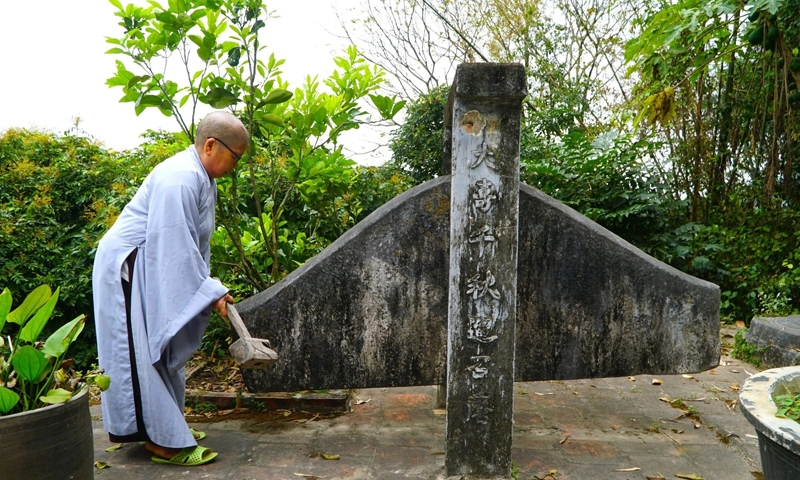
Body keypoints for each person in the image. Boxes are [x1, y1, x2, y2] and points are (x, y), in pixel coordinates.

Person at [93, 111, 248, 465]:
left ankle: (167, 426)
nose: (236, 164)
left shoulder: (202, 178)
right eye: (235, 156)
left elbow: (193, 246)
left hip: (152, 262)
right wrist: (209, 291)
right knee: (141, 351)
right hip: (130, 266)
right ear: (211, 145)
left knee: (160, 348)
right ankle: (160, 440)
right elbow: (175, 244)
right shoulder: (180, 178)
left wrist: (208, 289)